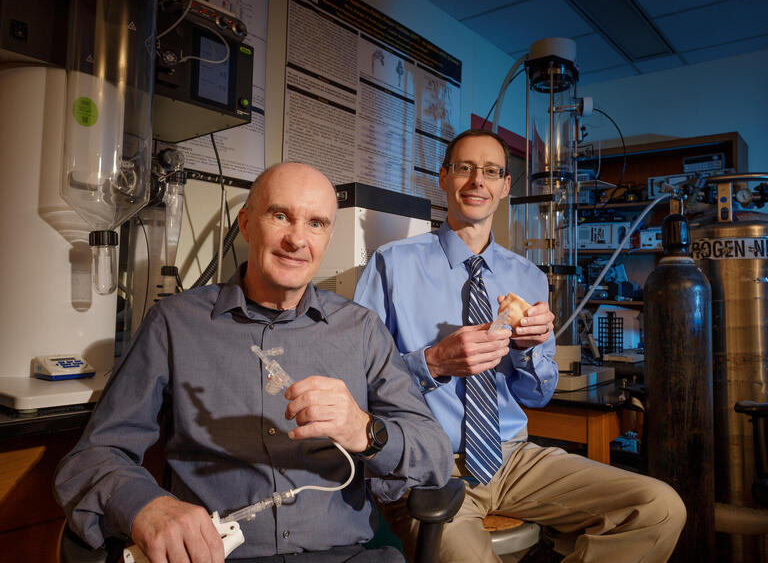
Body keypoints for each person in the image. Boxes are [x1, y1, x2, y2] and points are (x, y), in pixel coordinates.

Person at [54, 162, 452, 563]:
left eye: (316, 224)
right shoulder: (174, 323)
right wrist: (146, 506)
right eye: (280, 216)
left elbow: (433, 454)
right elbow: (93, 456)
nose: (297, 239)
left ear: (328, 237)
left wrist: (365, 430)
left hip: (345, 554)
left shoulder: (362, 329)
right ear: (245, 224)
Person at [353, 129, 686, 563]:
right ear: (443, 177)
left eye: (491, 171)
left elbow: (537, 394)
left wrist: (529, 350)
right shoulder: (391, 264)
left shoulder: (528, 276)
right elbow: (357, 381)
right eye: (465, 168)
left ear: (505, 186)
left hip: (513, 458)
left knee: (659, 508)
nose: (477, 181)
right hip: (427, 466)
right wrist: (432, 362)